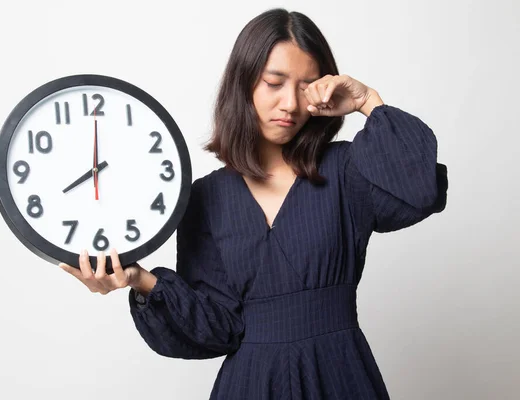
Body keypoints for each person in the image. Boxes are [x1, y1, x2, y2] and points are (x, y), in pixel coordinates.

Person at [59, 8, 448, 399]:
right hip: (250, 386)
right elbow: (219, 328)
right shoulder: (206, 198)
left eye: (306, 86)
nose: (290, 105)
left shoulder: (347, 170)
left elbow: (418, 190)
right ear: (244, 85)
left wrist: (368, 101)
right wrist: (138, 279)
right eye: (274, 83)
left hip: (341, 377)